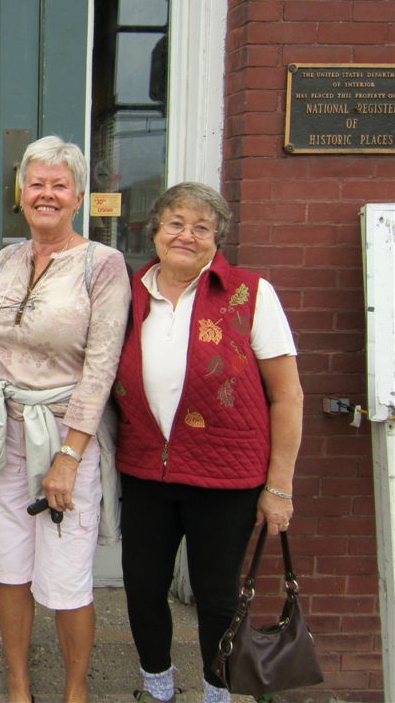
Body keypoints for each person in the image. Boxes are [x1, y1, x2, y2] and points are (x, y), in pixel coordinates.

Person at [113, 182, 303, 703]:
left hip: (225, 476)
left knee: (217, 596)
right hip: (146, 470)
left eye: (201, 227)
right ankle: (158, 688)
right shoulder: (130, 294)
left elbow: (287, 396)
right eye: (175, 223)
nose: (186, 235)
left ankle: (216, 694)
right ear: (155, 230)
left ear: (218, 238)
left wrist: (279, 488)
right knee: (143, 587)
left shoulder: (250, 293)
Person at [0, 136, 130, 703]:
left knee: (65, 577)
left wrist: (70, 455)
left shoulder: (102, 265)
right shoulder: (5, 260)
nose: (47, 194)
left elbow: (101, 367)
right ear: (20, 194)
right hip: (1, 436)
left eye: (60, 184)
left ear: (78, 196)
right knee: (9, 567)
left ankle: (75, 691)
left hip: (63, 435)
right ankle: (18, 685)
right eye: (36, 183)